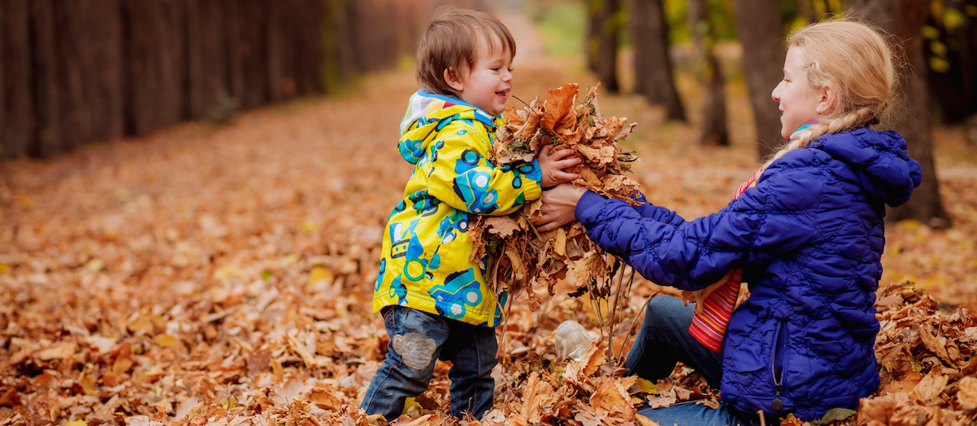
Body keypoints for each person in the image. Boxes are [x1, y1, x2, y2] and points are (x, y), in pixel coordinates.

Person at [535, 20, 922, 425]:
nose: (775, 91)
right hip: (809, 366)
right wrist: (612, 198)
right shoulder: (837, 165)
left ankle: (612, 406)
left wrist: (585, 205)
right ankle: (619, 389)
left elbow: (685, 259)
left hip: (789, 404)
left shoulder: (809, 179)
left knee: (599, 420)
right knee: (664, 315)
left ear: (825, 97)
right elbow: (708, 241)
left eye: (787, 79)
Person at [360, 7, 582, 422]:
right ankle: (369, 419)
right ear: (454, 78)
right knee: (411, 368)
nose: (508, 77)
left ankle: (472, 418)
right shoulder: (453, 131)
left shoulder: (482, 127)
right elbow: (478, 191)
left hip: (466, 288)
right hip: (423, 283)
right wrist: (537, 175)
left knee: (479, 369)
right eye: (495, 67)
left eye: (510, 67)